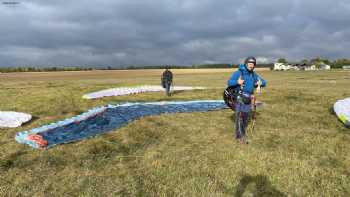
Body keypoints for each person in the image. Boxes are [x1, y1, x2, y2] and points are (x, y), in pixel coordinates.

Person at [227, 57, 266, 144]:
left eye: (253, 64)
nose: (251, 65)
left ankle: (242, 133)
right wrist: (237, 82)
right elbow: (229, 82)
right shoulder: (239, 73)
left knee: (245, 118)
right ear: (246, 63)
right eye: (250, 63)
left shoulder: (253, 74)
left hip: (248, 98)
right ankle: (240, 138)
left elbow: (264, 82)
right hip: (239, 97)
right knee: (240, 118)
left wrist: (259, 83)